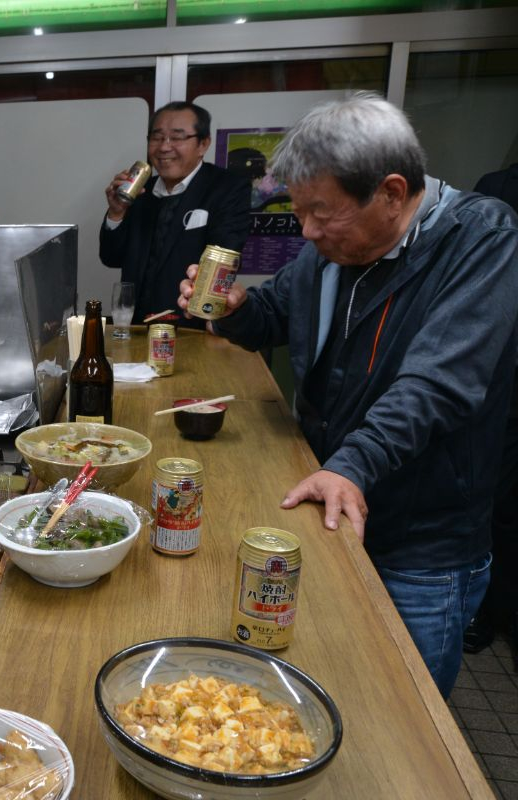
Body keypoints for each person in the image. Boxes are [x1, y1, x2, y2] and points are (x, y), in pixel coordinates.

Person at [177, 94, 518, 697]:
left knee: (405, 708)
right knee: (325, 685)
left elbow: (437, 383)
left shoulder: (481, 238)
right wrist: (235, 310)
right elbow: (274, 317)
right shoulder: (331, 252)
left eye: (322, 213)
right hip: (331, 501)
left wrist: (352, 466)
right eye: (299, 211)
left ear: (391, 192)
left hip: (421, 544)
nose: (307, 231)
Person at [99, 101, 250, 329]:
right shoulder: (140, 191)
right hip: (136, 326)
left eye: (177, 137)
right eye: (157, 137)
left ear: (203, 144)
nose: (164, 147)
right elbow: (111, 258)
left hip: (191, 327)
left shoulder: (227, 188)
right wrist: (116, 213)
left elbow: (225, 255)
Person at [463, 162, 518, 656]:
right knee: (504, 504)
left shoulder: (486, 215)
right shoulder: (499, 189)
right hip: (500, 368)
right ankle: (491, 611)